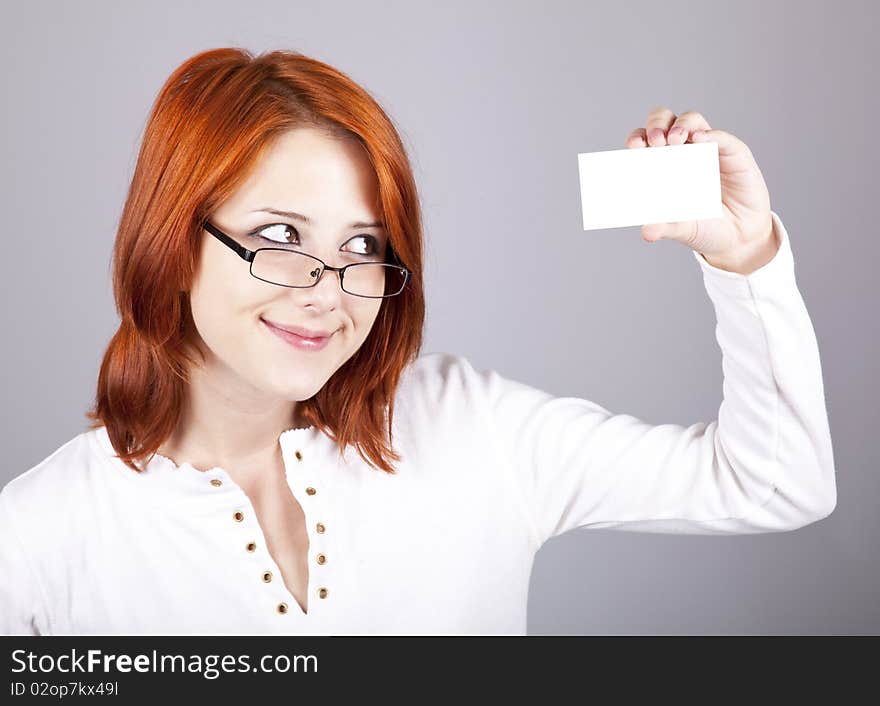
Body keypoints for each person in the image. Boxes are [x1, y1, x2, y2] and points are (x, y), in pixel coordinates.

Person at [0, 48, 836, 636]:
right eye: (283, 232)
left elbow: (774, 485)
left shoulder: (471, 427)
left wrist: (745, 260)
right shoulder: (40, 536)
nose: (327, 290)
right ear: (174, 241)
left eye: (363, 246)